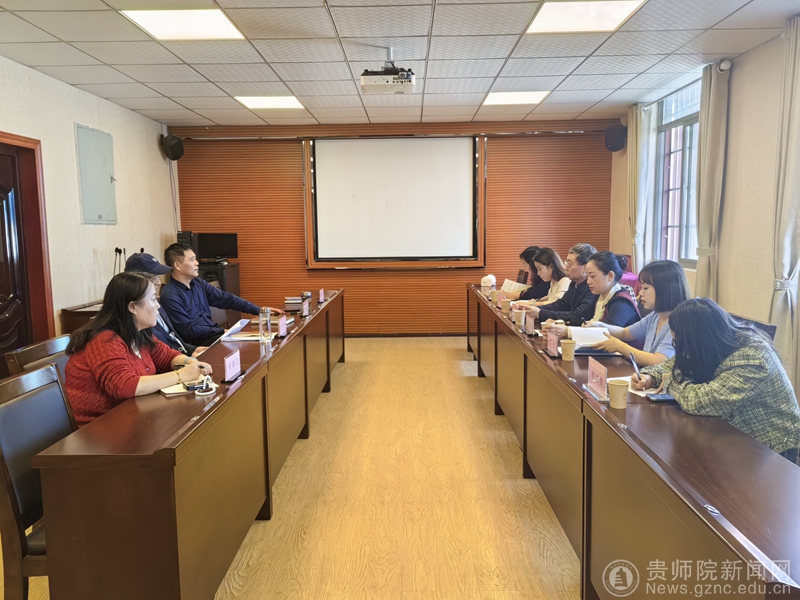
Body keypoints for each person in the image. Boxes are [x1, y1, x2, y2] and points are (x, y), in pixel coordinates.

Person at [632, 298, 800, 459]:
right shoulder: (712, 342)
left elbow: (699, 402)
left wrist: (670, 381)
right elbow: (676, 363)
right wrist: (651, 376)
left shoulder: (753, 358)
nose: (678, 348)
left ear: (697, 339)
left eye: (678, 343)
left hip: (769, 448)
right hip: (728, 431)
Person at [65, 272, 213, 425]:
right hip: (99, 426)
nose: (158, 305)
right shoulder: (104, 339)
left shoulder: (139, 333)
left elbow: (167, 356)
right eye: (153, 299)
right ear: (133, 307)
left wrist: (190, 362)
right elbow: (124, 386)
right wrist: (181, 375)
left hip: (133, 417)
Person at [160, 242, 280, 346]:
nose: (197, 263)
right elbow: (189, 331)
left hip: (213, 335)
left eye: (195, 259)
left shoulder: (198, 282)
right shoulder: (170, 295)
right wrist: (222, 331)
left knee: (266, 338)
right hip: (197, 343)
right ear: (177, 266)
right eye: (192, 260)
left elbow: (225, 298)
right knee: (249, 344)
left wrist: (258, 310)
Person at [587, 260, 690, 365]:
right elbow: (625, 333)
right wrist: (599, 325)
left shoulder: (678, 323)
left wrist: (621, 347)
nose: (640, 293)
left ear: (665, 290)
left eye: (645, 288)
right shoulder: (655, 317)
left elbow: (658, 360)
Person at [124, 252, 206, 357]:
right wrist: (185, 359)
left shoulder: (156, 304)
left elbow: (172, 338)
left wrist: (193, 350)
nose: (158, 282)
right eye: (152, 277)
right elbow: (156, 355)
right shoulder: (138, 317)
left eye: (158, 276)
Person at [522, 242, 598, 326]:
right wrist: (535, 309)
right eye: (566, 263)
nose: (565, 268)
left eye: (569, 264)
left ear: (585, 267)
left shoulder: (592, 288)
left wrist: (540, 313)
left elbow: (578, 316)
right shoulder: (574, 284)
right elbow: (560, 305)